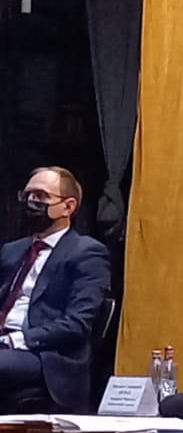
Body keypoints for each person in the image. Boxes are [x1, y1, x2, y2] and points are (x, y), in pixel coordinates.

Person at [0, 167, 111, 413]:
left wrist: (14, 340)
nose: (31, 202)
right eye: (27, 195)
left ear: (68, 207)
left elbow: (77, 324)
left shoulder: (87, 253)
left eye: (40, 196)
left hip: (46, 355)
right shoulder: (12, 250)